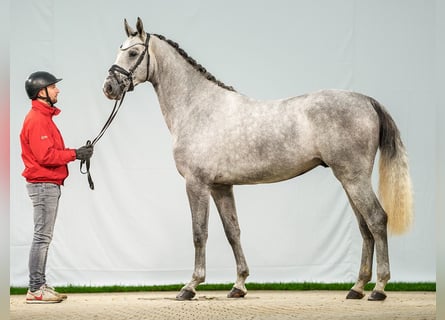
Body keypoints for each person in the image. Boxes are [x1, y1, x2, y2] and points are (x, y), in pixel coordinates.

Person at [20, 71, 94, 304]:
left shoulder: (44, 118)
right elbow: (45, 156)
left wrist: (76, 153)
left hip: (47, 184)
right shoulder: (37, 119)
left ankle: (39, 285)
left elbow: (49, 152)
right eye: (53, 87)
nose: (57, 90)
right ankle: (35, 289)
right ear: (41, 92)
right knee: (42, 237)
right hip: (43, 185)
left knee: (43, 236)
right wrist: (74, 154)